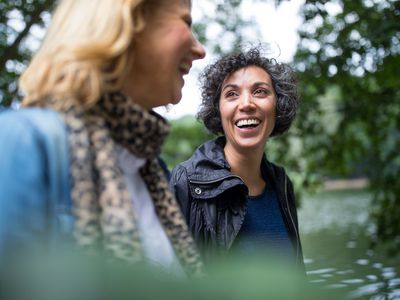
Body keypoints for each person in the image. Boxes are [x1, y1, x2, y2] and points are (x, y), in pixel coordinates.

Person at [0, 0, 205, 276]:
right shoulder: (23, 143)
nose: (200, 49)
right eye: (186, 22)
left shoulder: (150, 170)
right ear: (128, 21)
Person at [170, 47, 304, 269]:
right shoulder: (187, 182)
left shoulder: (281, 183)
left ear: (278, 106)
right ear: (218, 111)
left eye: (260, 91)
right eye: (231, 94)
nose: (246, 104)